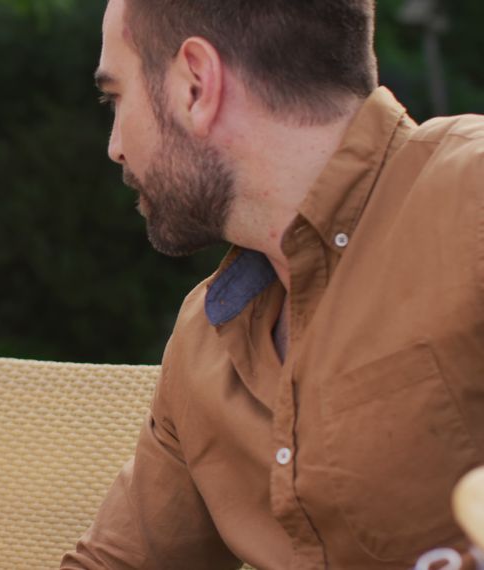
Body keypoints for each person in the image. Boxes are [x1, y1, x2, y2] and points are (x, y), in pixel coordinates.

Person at [63, 0, 484, 568]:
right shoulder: (204, 338)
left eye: (115, 97)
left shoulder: (469, 200)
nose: (115, 145)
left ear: (196, 84)